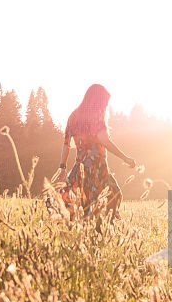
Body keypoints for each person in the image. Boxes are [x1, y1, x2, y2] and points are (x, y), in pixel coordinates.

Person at [56, 84, 137, 221]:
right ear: (98, 101)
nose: (105, 107)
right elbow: (104, 140)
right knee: (113, 196)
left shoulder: (73, 116)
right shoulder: (95, 116)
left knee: (84, 202)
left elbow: (66, 144)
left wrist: (62, 166)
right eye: (104, 103)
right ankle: (102, 227)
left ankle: (91, 229)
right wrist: (125, 158)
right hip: (96, 169)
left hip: (80, 168)